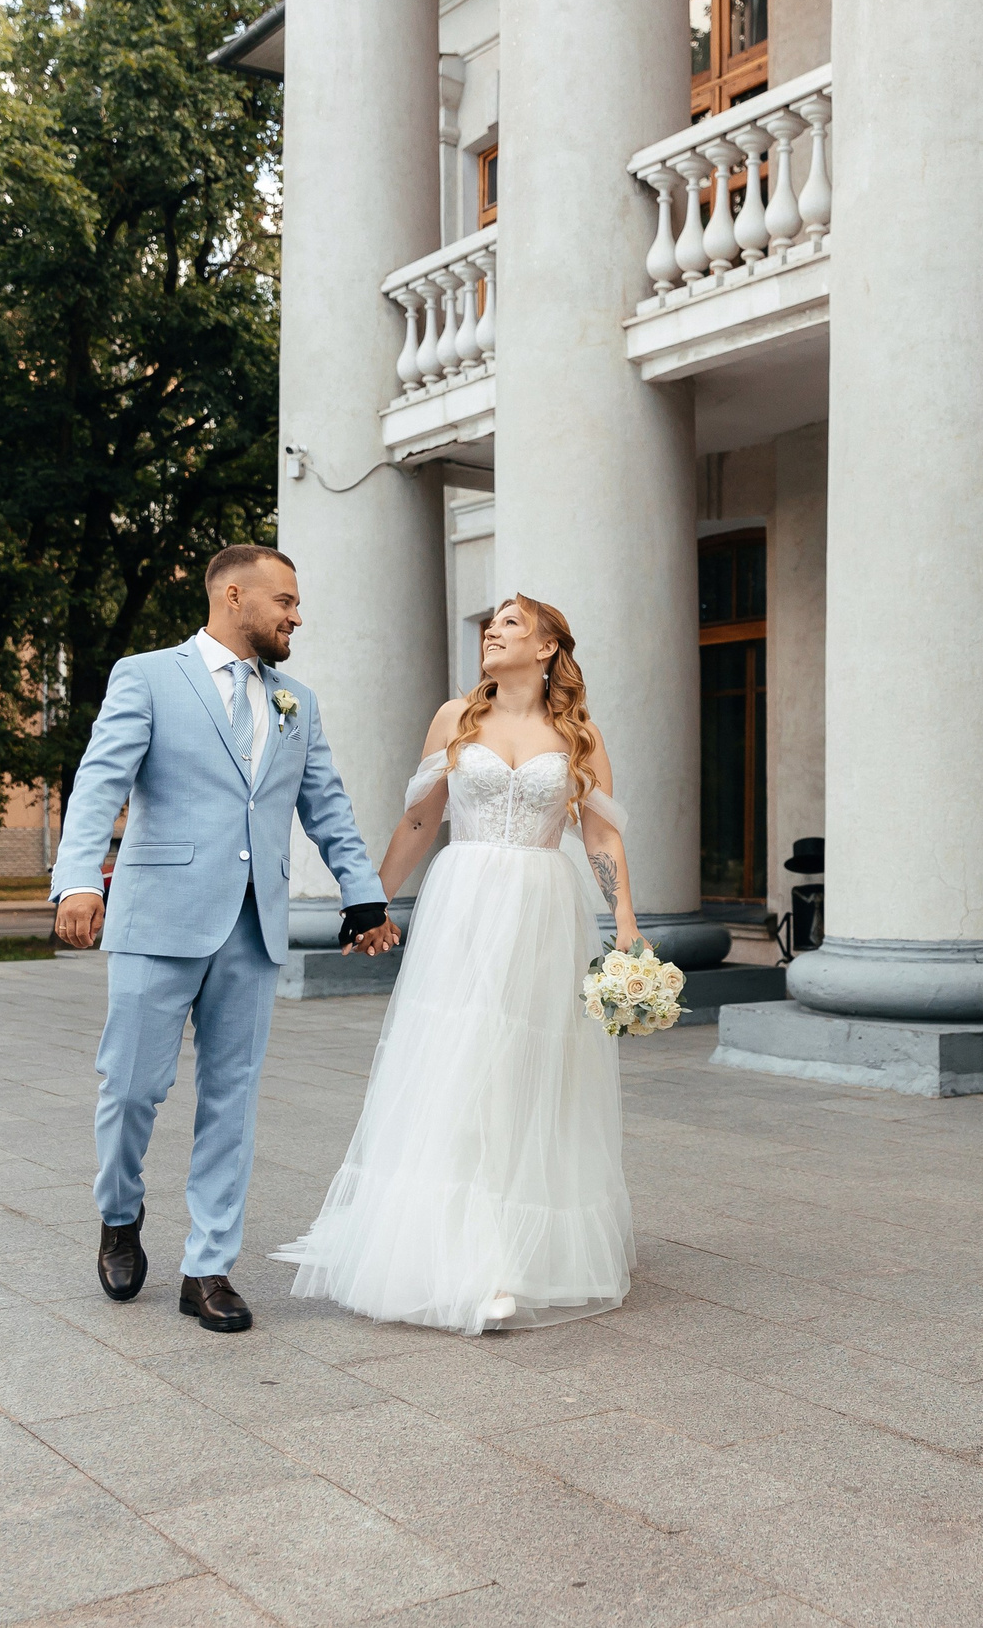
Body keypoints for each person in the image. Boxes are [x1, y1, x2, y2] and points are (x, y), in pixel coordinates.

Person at [51, 545, 398, 1334]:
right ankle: (119, 1212)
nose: (296, 617)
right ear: (233, 595)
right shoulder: (146, 676)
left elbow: (328, 807)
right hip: (156, 918)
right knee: (131, 1088)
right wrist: (78, 879)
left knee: (231, 1101)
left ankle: (208, 1267)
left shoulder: (295, 703)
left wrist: (364, 894)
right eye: (284, 601)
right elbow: (99, 780)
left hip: (252, 927)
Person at [273, 594, 638, 1335]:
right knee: (461, 1059)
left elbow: (601, 838)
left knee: (524, 1072)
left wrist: (625, 925)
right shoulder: (455, 718)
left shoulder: (579, 734)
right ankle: (460, 1251)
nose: (491, 634)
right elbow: (420, 819)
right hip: (464, 903)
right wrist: (369, 902)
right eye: (489, 625)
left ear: (546, 648)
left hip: (542, 908)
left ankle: (513, 1251)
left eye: (509, 624)